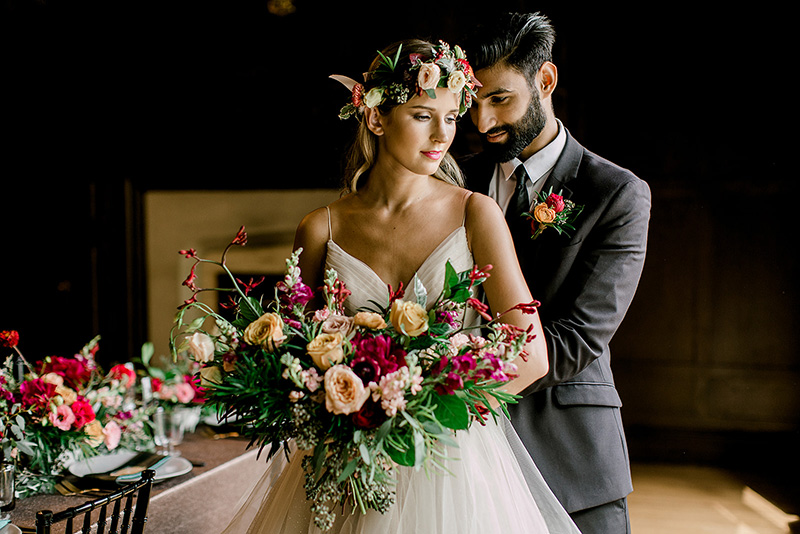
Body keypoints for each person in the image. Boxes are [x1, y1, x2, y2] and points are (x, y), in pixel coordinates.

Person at [221, 39, 581, 534]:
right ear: (375, 118)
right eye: (422, 115)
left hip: (450, 464)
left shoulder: (475, 213)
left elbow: (532, 353)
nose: (443, 135)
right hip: (345, 463)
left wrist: (421, 411)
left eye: (452, 117)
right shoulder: (320, 227)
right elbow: (291, 357)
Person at [459, 12, 651, 534]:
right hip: (460, 462)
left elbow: (579, 338)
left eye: (500, 98)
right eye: (471, 102)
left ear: (545, 80)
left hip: (570, 458)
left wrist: (453, 387)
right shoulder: (452, 180)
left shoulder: (615, 193)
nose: (481, 122)